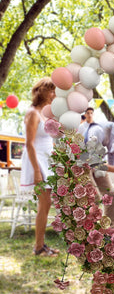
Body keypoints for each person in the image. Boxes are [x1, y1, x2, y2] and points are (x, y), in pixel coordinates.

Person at [20, 77, 59, 257]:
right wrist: (37, 170)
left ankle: (41, 245)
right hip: (37, 162)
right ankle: (38, 247)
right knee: (45, 202)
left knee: (47, 203)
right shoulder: (32, 113)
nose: (54, 94)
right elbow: (29, 143)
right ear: (42, 92)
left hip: (47, 161)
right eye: (51, 91)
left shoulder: (45, 113)